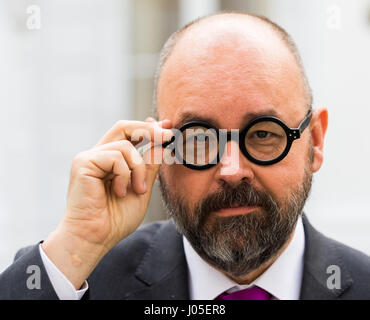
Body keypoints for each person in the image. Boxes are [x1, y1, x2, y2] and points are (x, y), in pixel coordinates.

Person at [1, 12, 370, 300]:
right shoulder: (82, 281)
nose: (231, 170)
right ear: (156, 147)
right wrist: (77, 247)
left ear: (316, 140)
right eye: (198, 138)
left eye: (262, 134)